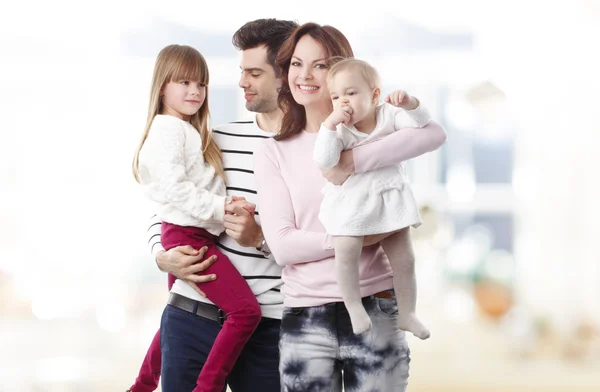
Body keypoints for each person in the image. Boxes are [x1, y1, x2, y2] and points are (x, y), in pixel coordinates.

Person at [254, 22, 447, 391]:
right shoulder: (271, 151)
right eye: (296, 63)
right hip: (305, 316)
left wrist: (353, 163)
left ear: (341, 71)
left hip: (377, 306)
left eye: (320, 65)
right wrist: (362, 237)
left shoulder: (377, 131)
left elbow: (435, 133)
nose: (305, 75)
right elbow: (282, 245)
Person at [127, 19, 298, 392]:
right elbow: (166, 209)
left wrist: (261, 239)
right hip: (192, 316)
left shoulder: (315, 152)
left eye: (254, 73)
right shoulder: (216, 138)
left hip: (271, 329)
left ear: (285, 75)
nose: (241, 82)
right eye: (241, 71)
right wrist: (162, 256)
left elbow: (329, 244)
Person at [313, 57, 431, 339]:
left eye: (351, 93)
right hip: (352, 204)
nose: (343, 102)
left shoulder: (389, 115)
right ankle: (353, 306)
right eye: (336, 96)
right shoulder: (339, 129)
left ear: (375, 95)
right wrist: (329, 125)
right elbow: (324, 159)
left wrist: (410, 103)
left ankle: (408, 313)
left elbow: (421, 123)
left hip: (389, 199)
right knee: (345, 252)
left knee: (405, 258)